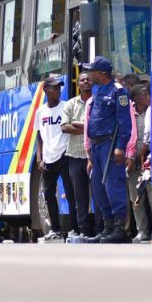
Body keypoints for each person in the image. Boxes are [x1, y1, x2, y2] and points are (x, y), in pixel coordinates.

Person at [83, 56, 133, 243]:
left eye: (92, 70)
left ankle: (120, 229)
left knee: (113, 185)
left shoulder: (118, 92)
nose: (89, 74)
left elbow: (124, 122)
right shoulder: (97, 90)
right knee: (98, 186)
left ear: (101, 73)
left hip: (110, 145)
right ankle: (108, 226)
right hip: (96, 146)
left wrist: (121, 147)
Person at [34, 75, 77, 242]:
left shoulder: (66, 107)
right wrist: (39, 158)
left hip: (64, 154)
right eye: (55, 88)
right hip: (48, 157)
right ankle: (55, 229)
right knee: (49, 194)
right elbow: (39, 135)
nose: (58, 91)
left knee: (70, 192)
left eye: (60, 88)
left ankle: (74, 228)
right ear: (46, 90)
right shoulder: (41, 111)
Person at [61, 71, 95, 239]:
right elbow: (64, 127)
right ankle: (84, 230)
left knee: (98, 194)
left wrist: (78, 125)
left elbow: (100, 125)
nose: (86, 82)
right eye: (82, 80)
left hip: (93, 157)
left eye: (89, 79)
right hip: (74, 156)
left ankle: (101, 228)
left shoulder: (97, 102)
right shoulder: (70, 104)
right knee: (79, 197)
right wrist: (88, 127)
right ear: (78, 84)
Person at [126, 83, 152, 242]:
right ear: (135, 98)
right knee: (136, 199)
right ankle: (141, 230)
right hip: (133, 162)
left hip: (149, 161)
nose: (147, 95)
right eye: (144, 93)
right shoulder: (129, 114)